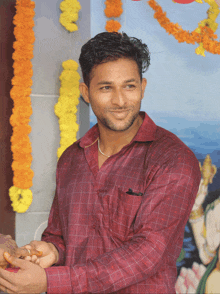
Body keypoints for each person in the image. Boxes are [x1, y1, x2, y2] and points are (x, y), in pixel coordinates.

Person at [0, 32, 201, 294]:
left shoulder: (173, 159)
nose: (119, 101)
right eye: (106, 87)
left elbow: (147, 253)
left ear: (143, 86)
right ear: (86, 92)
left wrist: (51, 282)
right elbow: (60, 237)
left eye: (129, 86)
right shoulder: (72, 158)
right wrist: (49, 251)